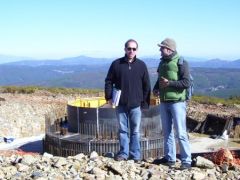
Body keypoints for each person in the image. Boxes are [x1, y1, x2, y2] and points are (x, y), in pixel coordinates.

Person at [105, 39, 151, 162]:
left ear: (137, 50)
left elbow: (146, 85)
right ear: (125, 49)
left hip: (136, 105)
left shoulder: (141, 65)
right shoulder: (116, 64)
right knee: (123, 130)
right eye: (129, 48)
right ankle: (123, 154)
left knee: (135, 131)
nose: (131, 51)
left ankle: (135, 155)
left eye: (134, 49)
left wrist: (145, 103)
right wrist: (109, 97)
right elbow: (108, 81)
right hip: (121, 104)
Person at [153, 38, 192, 170]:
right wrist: (156, 88)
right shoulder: (162, 62)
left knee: (180, 132)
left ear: (169, 49)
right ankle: (170, 158)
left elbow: (186, 83)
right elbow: (160, 80)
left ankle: (186, 160)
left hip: (177, 103)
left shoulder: (182, 62)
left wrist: (169, 83)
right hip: (164, 102)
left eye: (162, 47)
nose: (160, 49)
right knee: (167, 132)